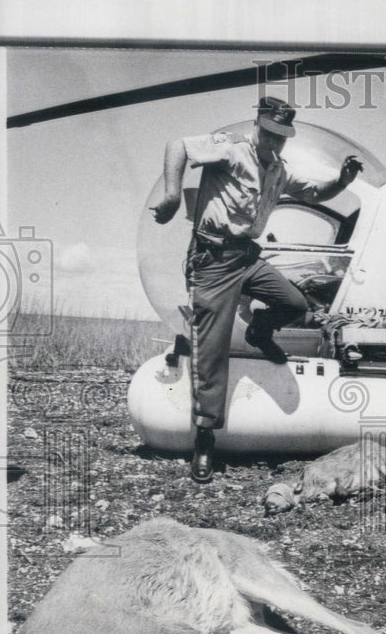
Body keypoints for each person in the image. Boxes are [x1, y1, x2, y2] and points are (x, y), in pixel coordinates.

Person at [151, 96, 363, 483]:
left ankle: (260, 330)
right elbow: (177, 146)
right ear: (258, 125)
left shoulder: (279, 170)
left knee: (298, 305)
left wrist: (341, 181)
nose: (275, 142)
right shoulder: (231, 151)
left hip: (247, 258)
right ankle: (205, 437)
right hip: (212, 261)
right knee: (211, 353)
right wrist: (170, 194)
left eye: (282, 137)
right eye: (270, 134)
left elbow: (314, 193)